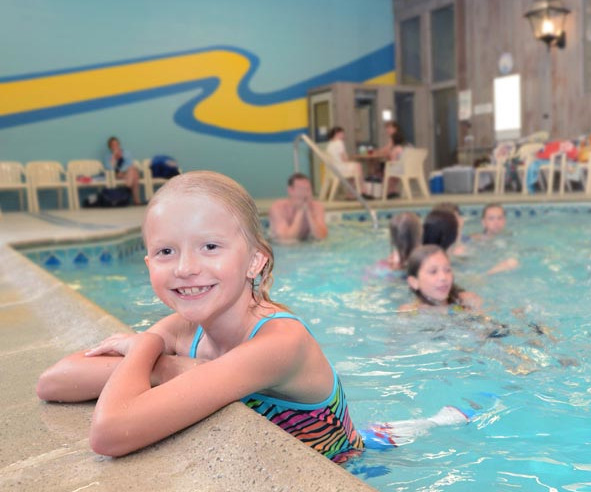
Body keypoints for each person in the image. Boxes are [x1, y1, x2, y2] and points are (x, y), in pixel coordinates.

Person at [36, 171, 363, 461]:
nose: (185, 268)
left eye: (209, 246)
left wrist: (144, 350)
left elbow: (110, 433)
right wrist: (165, 361)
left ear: (254, 261)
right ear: (149, 265)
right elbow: (54, 381)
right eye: (166, 251)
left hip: (353, 473)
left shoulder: (280, 342)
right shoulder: (185, 330)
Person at [399, 245, 482, 312]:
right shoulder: (409, 313)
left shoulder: (467, 301)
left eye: (447, 270)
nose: (443, 277)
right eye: (433, 271)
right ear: (414, 282)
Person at [268, 173, 328, 242]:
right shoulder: (278, 208)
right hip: (280, 244)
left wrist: (308, 212)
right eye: (301, 189)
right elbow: (286, 239)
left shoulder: (317, 207)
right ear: (290, 190)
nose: (305, 193)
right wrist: (300, 211)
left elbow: (322, 236)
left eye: (308, 189)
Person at [325, 126, 372, 200]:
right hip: (340, 168)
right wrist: (351, 161)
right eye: (342, 133)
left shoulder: (330, 144)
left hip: (333, 169)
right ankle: (363, 191)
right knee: (358, 166)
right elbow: (344, 159)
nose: (344, 135)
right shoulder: (339, 142)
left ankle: (351, 194)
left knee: (354, 173)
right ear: (337, 134)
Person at [104, 136, 142, 205]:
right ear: (110, 146)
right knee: (135, 174)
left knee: (133, 171)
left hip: (126, 173)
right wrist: (114, 157)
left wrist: (122, 170)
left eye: (116, 144)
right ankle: (136, 200)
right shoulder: (108, 156)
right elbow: (109, 168)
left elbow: (129, 164)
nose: (115, 146)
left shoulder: (126, 153)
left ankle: (128, 186)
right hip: (116, 175)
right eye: (113, 145)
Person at [375, 121, 408, 199]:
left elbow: (387, 150)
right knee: (382, 166)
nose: (387, 130)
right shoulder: (403, 141)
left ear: (395, 128)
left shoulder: (393, 138)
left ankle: (387, 191)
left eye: (389, 128)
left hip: (398, 167)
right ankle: (391, 190)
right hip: (405, 166)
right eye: (387, 128)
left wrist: (377, 151)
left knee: (380, 168)